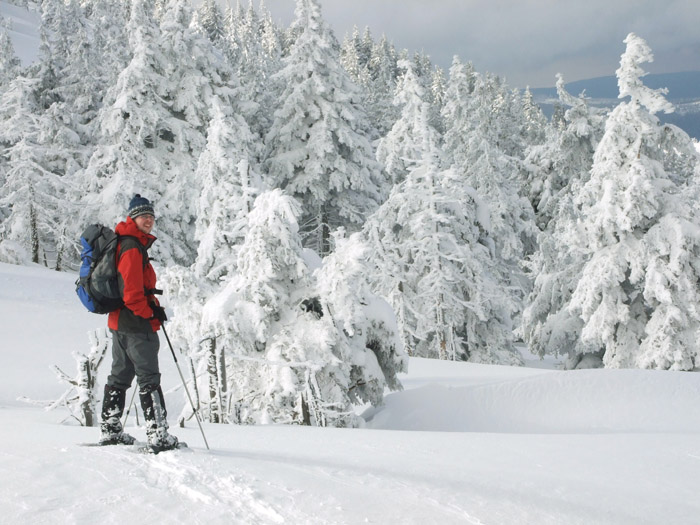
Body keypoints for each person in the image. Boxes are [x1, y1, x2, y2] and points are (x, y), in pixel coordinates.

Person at [99, 194, 179, 452]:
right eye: (144, 216)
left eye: (152, 216)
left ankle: (111, 430)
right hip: (135, 325)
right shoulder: (132, 247)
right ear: (133, 218)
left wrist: (153, 307)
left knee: (120, 375)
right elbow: (132, 294)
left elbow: (133, 291)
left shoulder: (125, 242)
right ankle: (158, 435)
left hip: (119, 323)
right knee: (149, 378)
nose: (149, 220)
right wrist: (150, 314)